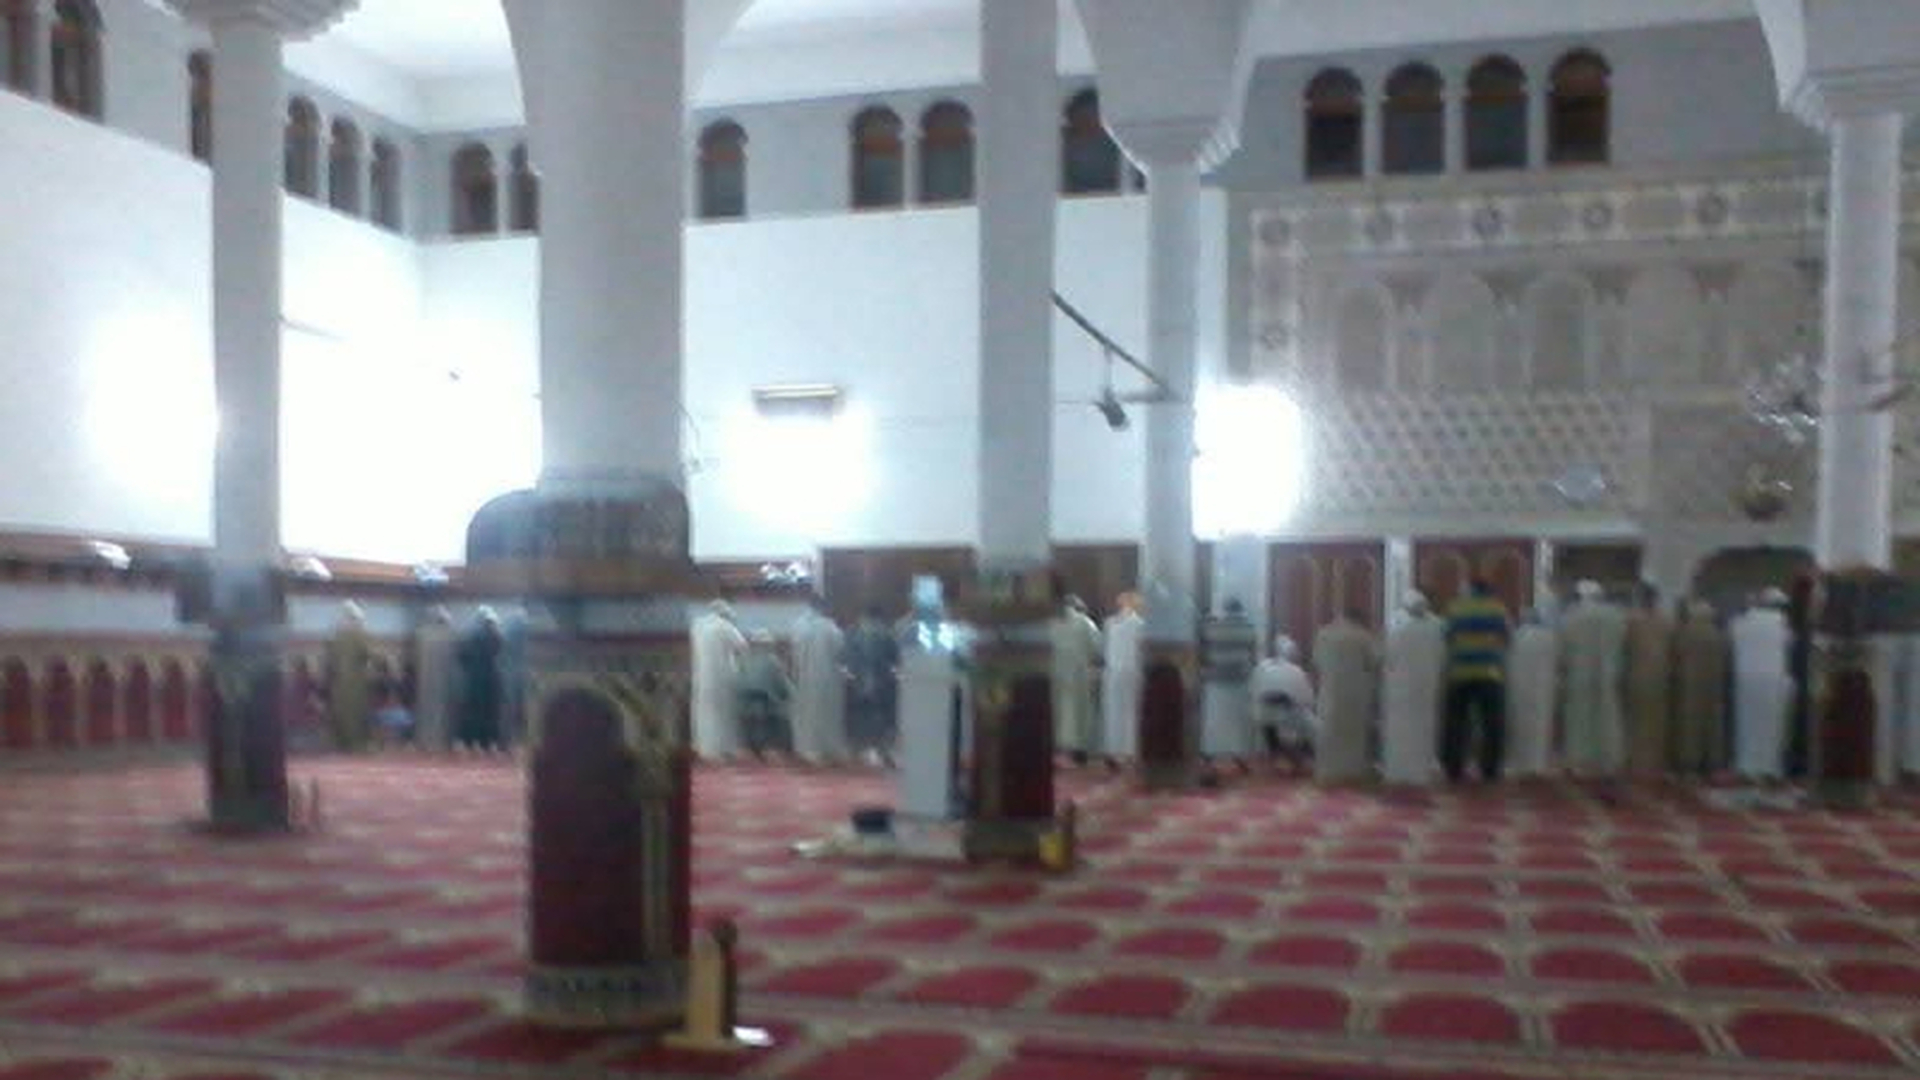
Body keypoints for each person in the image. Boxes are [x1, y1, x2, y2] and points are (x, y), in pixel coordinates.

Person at [1441, 579, 1512, 783]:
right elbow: (1507, 638)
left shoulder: (1455, 608)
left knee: (1456, 722)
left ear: (1470, 591)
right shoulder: (1497, 608)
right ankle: (1490, 769)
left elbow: (1446, 637)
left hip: (1460, 672)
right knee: (1492, 724)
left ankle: (1453, 769)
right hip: (1489, 673)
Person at [1560, 580, 1627, 778]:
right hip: (1608, 673)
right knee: (1607, 716)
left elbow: (1565, 646)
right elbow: (1622, 644)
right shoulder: (1616, 615)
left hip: (1579, 673)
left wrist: (1564, 669)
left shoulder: (1572, 615)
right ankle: (1609, 762)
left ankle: (1579, 762)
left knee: (1579, 718)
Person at [1381, 592, 1446, 785]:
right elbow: (1443, 656)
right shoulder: (1437, 627)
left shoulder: (1398, 629)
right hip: (1427, 685)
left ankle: (1400, 772)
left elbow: (1388, 658)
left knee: (1402, 730)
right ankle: (1421, 771)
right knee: (1424, 728)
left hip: (1401, 687)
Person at [1732, 588, 1793, 782]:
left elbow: (1732, 639)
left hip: (1746, 680)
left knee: (1747, 726)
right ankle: (1770, 768)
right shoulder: (1783, 624)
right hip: (1773, 680)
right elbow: (1790, 645)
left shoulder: (1741, 622)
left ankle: (1747, 767)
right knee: (1772, 728)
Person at [1312, 606, 1378, 783]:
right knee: (1353, 736)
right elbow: (1373, 662)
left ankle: (1328, 773)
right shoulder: (1363, 636)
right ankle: (1353, 772)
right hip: (1355, 694)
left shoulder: (1323, 633)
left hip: (1329, 692)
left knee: (1329, 733)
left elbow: (1316, 662)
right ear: (1358, 618)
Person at [1670, 599, 1729, 775]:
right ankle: (1711, 761)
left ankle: (1689, 762)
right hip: (1713, 685)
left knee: (1690, 724)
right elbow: (1726, 658)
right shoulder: (1718, 634)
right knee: (1712, 723)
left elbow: (1676, 654)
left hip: (1690, 684)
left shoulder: (1685, 632)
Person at [1624, 583, 1677, 778]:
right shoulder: (1667, 622)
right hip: (1660, 677)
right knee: (1657, 723)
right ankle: (1655, 762)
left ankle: (1638, 762)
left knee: (1636, 722)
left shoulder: (1631, 621)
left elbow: (1625, 649)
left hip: (1637, 676)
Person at [790, 600, 848, 764]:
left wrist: (795, 673)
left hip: (805, 677)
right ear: (824, 609)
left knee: (806, 714)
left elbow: (794, 653)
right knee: (829, 715)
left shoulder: (799, 626)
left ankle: (806, 749)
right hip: (829, 679)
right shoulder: (831, 627)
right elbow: (840, 651)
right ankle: (828, 748)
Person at [691, 600, 749, 760]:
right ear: (725, 614)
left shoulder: (697, 625)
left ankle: (704, 748)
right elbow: (743, 646)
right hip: (721, 678)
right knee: (723, 714)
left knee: (704, 713)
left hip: (701, 677)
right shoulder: (724, 626)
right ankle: (720, 749)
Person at [843, 605, 901, 764]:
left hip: (859, 683)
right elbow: (896, 659)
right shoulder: (887, 634)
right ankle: (881, 750)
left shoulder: (853, 633)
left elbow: (845, 658)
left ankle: (860, 750)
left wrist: (851, 675)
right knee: (881, 719)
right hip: (881, 683)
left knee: (861, 717)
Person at [1050, 595, 1103, 759]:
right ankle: (1079, 748)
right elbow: (1097, 648)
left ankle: (1059, 747)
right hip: (1079, 672)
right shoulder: (1086, 622)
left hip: (1056, 671)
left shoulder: (1051, 622)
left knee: (1059, 710)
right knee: (1080, 711)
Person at [1506, 608, 1558, 776]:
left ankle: (1520, 763)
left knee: (1520, 724)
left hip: (1520, 687)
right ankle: (1538, 763)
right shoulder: (1550, 636)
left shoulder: (1517, 635)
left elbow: (1508, 660)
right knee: (1540, 724)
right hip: (1543, 687)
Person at [1252, 635, 1316, 763]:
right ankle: (1306, 755)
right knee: (1313, 723)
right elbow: (1307, 699)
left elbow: (1253, 691)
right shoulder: (1297, 671)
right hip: (1289, 716)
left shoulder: (1261, 667)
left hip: (1262, 715)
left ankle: (1275, 752)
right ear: (1293, 654)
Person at [1100, 592, 1146, 760]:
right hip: (1131, 671)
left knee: (1113, 711)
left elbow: (1103, 648)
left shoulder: (1109, 623)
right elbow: (1143, 651)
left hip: (1112, 671)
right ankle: (1129, 750)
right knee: (1131, 712)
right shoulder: (1140, 624)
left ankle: (1114, 749)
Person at [324, 601, 373, 752]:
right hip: (355, 682)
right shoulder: (359, 634)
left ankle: (339, 744)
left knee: (339, 713)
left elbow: (328, 660)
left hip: (338, 683)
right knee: (355, 714)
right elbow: (367, 655)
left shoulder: (334, 635)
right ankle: (355, 745)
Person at [735, 630, 793, 757]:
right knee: (781, 717)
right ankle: (771, 747)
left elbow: (738, 681)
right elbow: (783, 684)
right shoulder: (773, 661)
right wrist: (792, 695)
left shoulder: (744, 660)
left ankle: (749, 748)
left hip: (745, 702)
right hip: (765, 702)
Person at [455, 607, 506, 750]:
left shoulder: (470, 634)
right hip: (491, 677)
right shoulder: (496, 635)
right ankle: (489, 742)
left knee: (472, 710)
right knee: (490, 711)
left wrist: (469, 669)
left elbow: (461, 656)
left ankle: (467, 741)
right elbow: (499, 653)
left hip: (474, 678)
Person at [411, 605, 457, 751]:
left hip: (424, 679)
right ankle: (439, 741)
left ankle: (424, 740)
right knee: (440, 711)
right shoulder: (449, 635)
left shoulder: (421, 634)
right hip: (443, 679)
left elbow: (414, 658)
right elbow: (454, 659)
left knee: (425, 710)